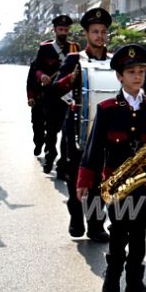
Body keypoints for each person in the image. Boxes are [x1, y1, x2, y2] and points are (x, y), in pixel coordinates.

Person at [76, 44, 146, 292]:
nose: (138, 76)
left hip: (144, 184)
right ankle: (112, 275)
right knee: (118, 234)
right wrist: (85, 180)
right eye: (131, 72)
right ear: (119, 76)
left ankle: (135, 282)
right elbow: (94, 148)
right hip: (116, 183)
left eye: (141, 70)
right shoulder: (107, 109)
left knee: (139, 235)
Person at [53, 8, 112, 242]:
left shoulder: (113, 61)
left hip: (104, 130)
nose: (99, 36)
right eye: (95, 32)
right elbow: (57, 89)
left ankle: (96, 224)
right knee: (75, 176)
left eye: (103, 32)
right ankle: (76, 217)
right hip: (76, 128)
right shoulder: (74, 59)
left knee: (100, 179)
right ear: (86, 34)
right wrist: (72, 78)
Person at [34, 14, 80, 175]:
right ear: (54, 30)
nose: (63, 32)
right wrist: (42, 76)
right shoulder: (45, 48)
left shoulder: (74, 48)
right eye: (60, 29)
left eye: (66, 29)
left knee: (68, 131)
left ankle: (63, 163)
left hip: (67, 96)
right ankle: (50, 155)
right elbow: (37, 69)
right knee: (51, 130)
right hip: (50, 95)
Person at [26, 59, 46, 157]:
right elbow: (30, 82)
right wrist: (30, 97)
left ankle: (49, 148)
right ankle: (38, 143)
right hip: (38, 99)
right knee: (37, 124)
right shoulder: (36, 64)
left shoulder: (61, 62)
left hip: (54, 100)